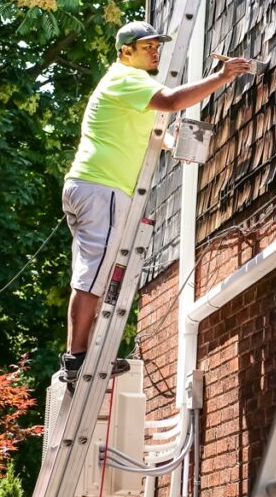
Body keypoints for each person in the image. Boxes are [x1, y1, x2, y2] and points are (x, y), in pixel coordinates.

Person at [60, 20, 251, 385]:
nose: (156, 51)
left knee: (93, 271)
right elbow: (173, 101)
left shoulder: (129, 91)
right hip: (104, 187)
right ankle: (78, 358)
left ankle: (80, 355)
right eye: (148, 46)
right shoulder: (126, 78)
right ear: (125, 51)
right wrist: (223, 76)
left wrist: (172, 141)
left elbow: (153, 133)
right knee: (93, 276)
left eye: (157, 45)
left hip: (91, 186)